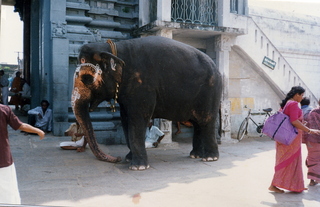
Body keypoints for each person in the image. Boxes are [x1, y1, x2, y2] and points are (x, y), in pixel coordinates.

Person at [268, 86, 320, 193]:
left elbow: (290, 120)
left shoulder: (288, 103)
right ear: (296, 95)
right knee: (287, 162)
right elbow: (294, 121)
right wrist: (309, 130)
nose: (302, 97)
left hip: (289, 138)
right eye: (301, 95)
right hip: (290, 139)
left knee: (291, 162)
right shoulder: (294, 104)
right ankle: (274, 185)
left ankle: (295, 186)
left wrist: (302, 125)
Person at [0, 103, 45, 204]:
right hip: (2, 158)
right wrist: (37, 130)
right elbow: (21, 125)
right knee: (7, 190)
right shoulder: (4, 110)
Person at [303, 99, 320, 186]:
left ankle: (312, 180)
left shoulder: (312, 111)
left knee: (312, 159)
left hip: (312, 140)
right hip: (315, 139)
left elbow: (307, 125)